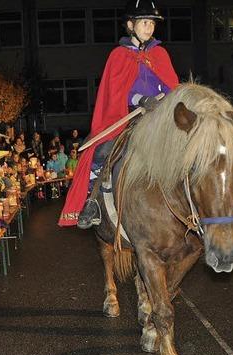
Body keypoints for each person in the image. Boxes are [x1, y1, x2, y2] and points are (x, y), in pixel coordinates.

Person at [59, 0, 178, 227]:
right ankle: (91, 202)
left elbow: (171, 85)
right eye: (144, 22)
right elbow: (115, 93)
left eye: (152, 23)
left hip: (159, 115)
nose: (149, 27)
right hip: (128, 115)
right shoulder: (119, 55)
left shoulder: (160, 54)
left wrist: (166, 98)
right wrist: (140, 100)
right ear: (131, 25)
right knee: (102, 150)